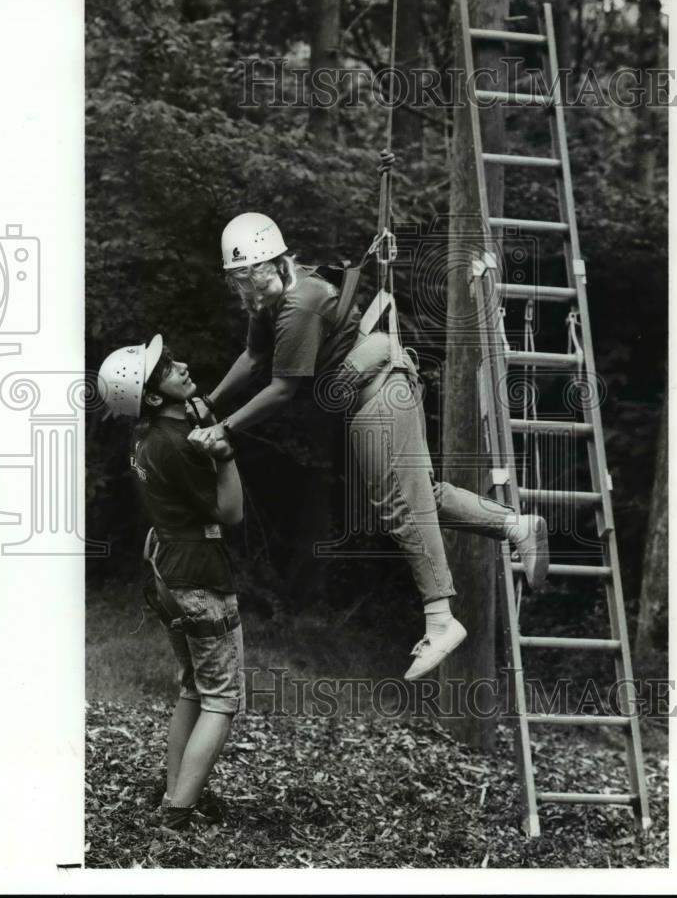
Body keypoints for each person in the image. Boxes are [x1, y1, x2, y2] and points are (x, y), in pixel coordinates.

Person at [196, 212, 549, 681]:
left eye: (254, 278)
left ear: (277, 263)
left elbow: (282, 389)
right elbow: (254, 356)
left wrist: (226, 428)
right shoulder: (272, 303)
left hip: (379, 391)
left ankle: (441, 620)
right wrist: (210, 401)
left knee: (401, 507)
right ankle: (517, 526)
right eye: (240, 282)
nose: (250, 291)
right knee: (423, 493)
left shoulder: (300, 302)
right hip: (378, 388)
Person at [97, 334, 244, 832]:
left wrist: (201, 419)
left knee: (194, 689)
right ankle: (177, 812)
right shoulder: (181, 448)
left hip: (168, 570)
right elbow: (232, 512)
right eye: (166, 367)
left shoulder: (146, 436)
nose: (180, 364)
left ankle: (176, 791)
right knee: (222, 697)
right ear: (154, 396)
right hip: (199, 573)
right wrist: (224, 455)